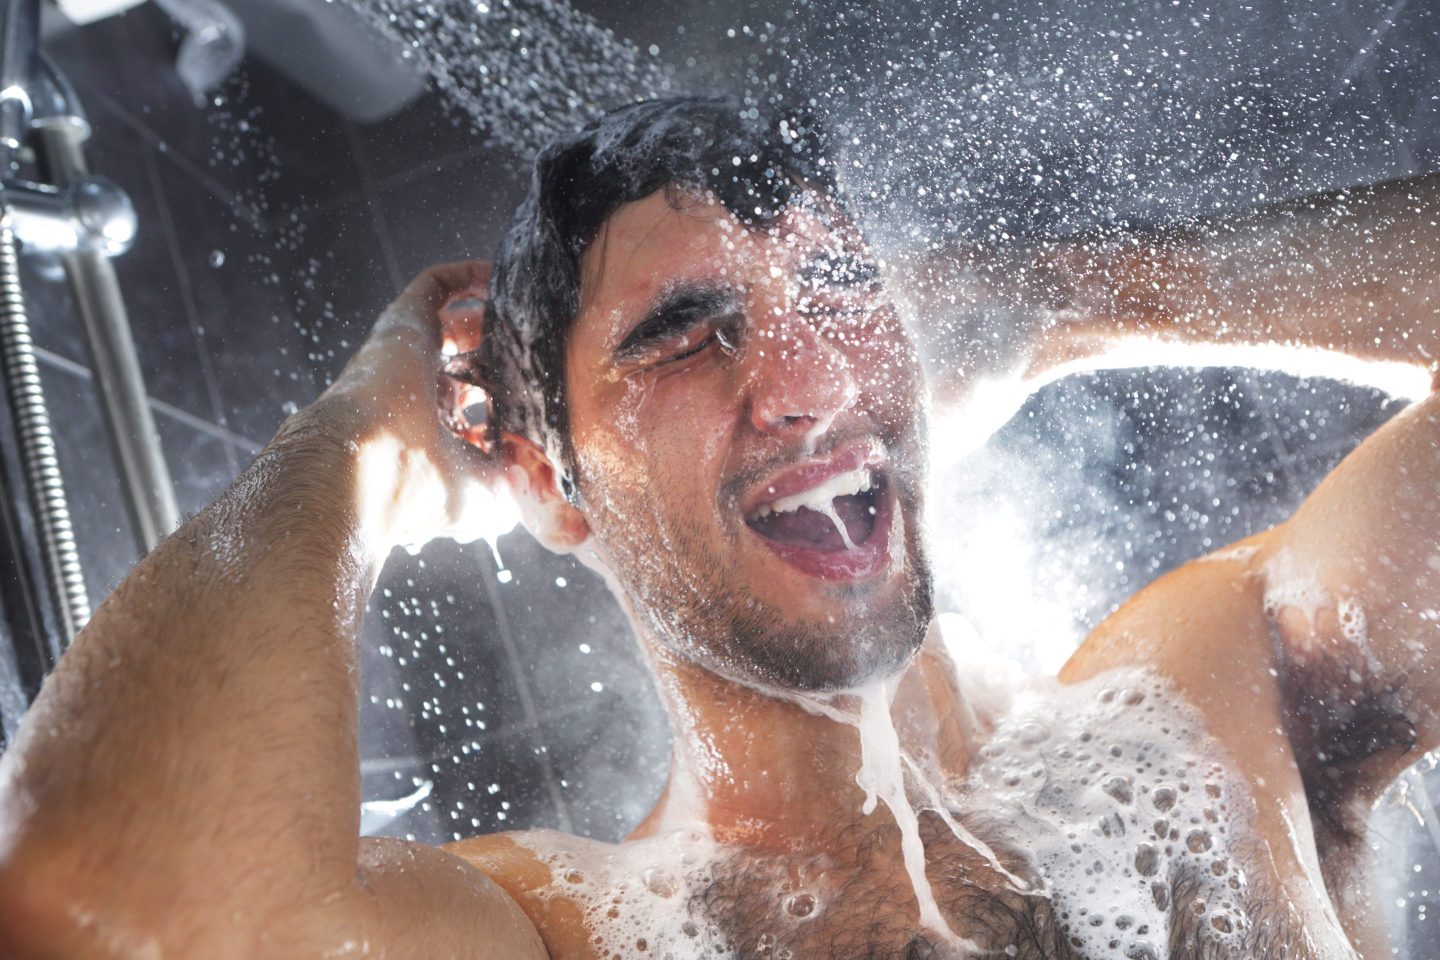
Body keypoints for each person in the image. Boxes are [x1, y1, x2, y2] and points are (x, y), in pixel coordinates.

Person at [0, 95, 1436, 960]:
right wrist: (364, 444)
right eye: (686, 335)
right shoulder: (558, 936)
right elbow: (108, 911)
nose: (807, 387)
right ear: (551, 485)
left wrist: (1094, 291)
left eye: (837, 293)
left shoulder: (1219, 696)